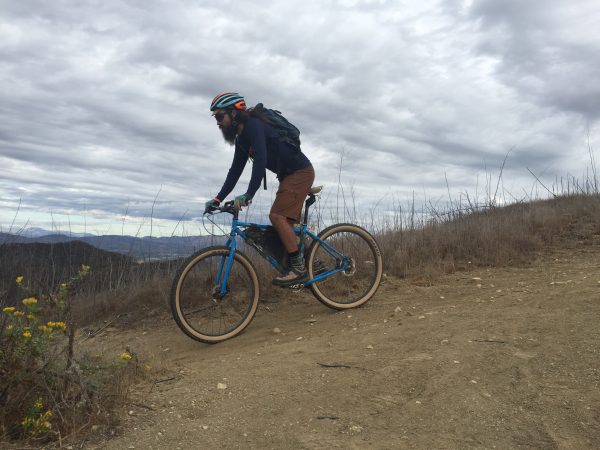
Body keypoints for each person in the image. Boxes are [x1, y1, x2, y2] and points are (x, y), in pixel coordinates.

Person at [204, 92, 315, 287]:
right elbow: (235, 171)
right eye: (216, 118)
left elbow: (260, 160)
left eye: (220, 116)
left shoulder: (254, 126)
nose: (218, 123)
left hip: (300, 172)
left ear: (234, 112)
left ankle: (299, 269)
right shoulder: (242, 139)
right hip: (288, 176)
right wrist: (217, 198)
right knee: (280, 228)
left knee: (277, 217)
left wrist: (249, 194)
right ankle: (313, 263)